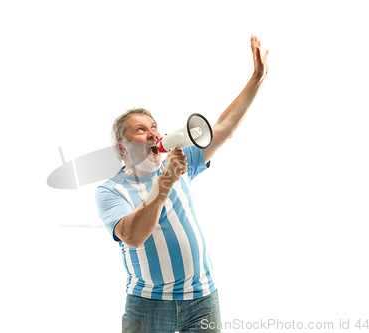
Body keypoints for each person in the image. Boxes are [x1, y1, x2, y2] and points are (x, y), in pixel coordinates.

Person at [95, 35, 268, 333]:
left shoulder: (179, 163)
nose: (152, 134)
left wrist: (257, 78)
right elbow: (133, 236)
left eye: (153, 127)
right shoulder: (111, 190)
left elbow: (224, 128)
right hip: (148, 306)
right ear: (122, 147)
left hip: (203, 298)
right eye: (140, 130)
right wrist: (166, 181)